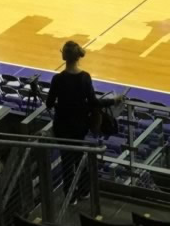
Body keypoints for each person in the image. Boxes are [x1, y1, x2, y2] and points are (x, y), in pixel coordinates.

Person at [45, 41, 118, 199]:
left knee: (66, 160)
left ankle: (70, 196)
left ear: (64, 56)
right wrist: (113, 100)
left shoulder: (57, 79)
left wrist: (61, 105)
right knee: (79, 158)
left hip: (62, 126)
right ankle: (84, 190)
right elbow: (94, 102)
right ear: (78, 56)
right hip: (79, 126)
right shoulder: (85, 78)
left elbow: (49, 103)